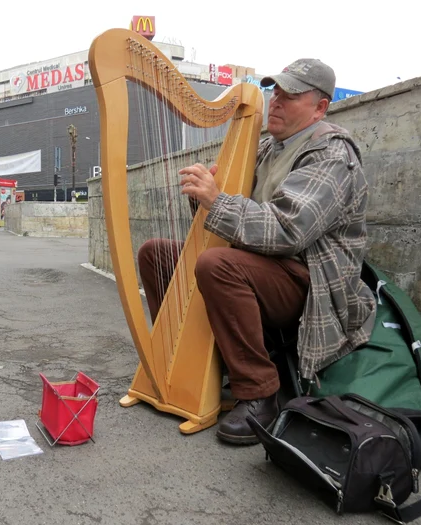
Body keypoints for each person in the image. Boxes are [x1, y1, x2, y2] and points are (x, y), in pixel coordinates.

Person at [138, 59, 377, 445]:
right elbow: (233, 212)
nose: (276, 102)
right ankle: (179, 362)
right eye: (276, 92)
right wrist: (204, 195)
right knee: (155, 254)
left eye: (291, 96)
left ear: (320, 107)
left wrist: (217, 203)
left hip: (312, 282)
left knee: (217, 264)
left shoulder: (333, 154)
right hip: (263, 269)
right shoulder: (266, 147)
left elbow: (288, 231)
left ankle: (259, 392)